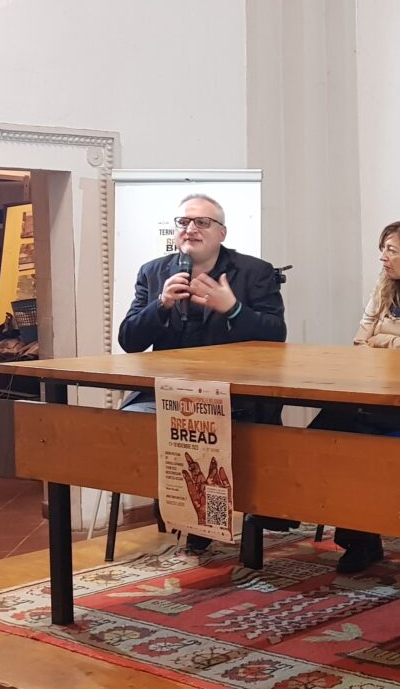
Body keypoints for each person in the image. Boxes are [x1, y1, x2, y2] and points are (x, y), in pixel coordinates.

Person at [117, 193, 287, 552]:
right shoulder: (153, 272)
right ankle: (181, 511)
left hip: (232, 393)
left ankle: (207, 521)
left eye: (202, 222)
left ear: (221, 233)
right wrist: (161, 304)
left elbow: (276, 335)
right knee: (125, 426)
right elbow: (130, 340)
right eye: (183, 222)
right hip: (169, 392)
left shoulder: (253, 272)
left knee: (208, 432)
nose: (190, 228)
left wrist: (234, 309)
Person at [310, 220, 400, 573]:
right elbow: (359, 342)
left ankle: (357, 538)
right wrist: (398, 344)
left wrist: (384, 341)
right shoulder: (383, 291)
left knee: (348, 437)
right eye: (383, 250)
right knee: (328, 434)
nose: (383, 258)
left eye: (391, 250)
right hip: (376, 394)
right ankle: (350, 531)